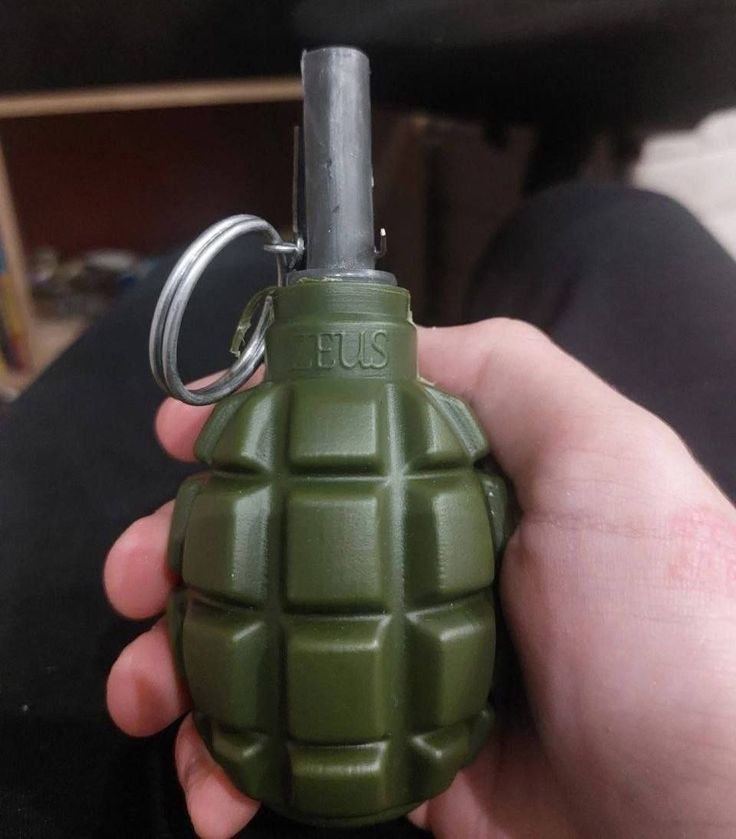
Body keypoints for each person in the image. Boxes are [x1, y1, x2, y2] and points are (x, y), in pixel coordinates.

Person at [2, 183, 736, 838]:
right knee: (607, 221)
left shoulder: (380, 429)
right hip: (447, 780)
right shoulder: (359, 429)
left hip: (424, 774)